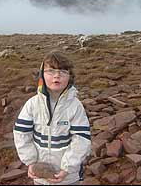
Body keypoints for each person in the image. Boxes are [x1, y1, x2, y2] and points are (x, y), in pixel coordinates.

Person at [13, 51, 91, 185]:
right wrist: (31, 162)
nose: (57, 75)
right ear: (42, 75)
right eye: (50, 71)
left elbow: (81, 139)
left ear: (70, 77)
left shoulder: (75, 106)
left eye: (63, 72)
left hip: (68, 178)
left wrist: (67, 168)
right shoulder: (32, 104)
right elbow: (21, 134)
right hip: (40, 177)